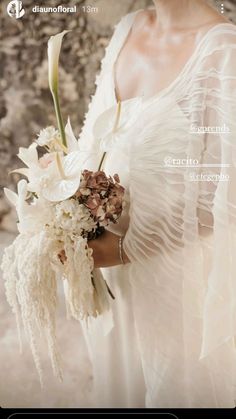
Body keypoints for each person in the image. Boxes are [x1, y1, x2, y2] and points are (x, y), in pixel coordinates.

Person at [76, 0, 236, 407]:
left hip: (175, 284)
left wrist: (125, 248)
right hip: (112, 278)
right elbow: (94, 145)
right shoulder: (128, 27)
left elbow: (223, 193)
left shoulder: (223, 51)